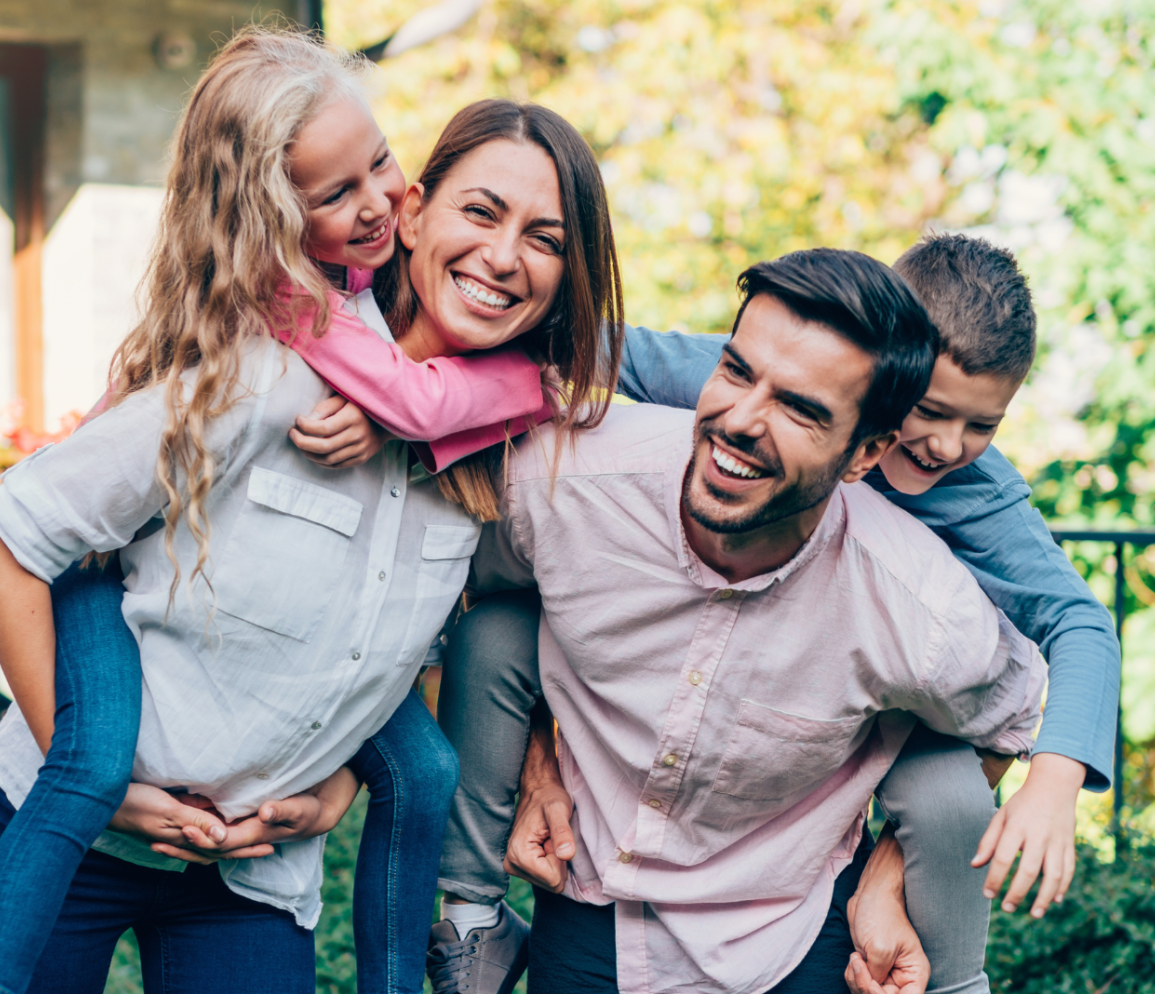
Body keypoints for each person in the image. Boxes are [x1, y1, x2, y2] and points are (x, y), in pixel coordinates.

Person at [0, 27, 624, 993]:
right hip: (78, 829)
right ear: (421, 210)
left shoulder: (508, 460)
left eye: (547, 238)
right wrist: (93, 777)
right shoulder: (269, 363)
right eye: (482, 210)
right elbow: (9, 532)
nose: (506, 257)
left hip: (252, 871)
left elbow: (410, 657)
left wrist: (340, 785)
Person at [429, 235, 1117, 994]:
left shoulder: (972, 499)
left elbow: (1076, 626)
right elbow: (579, 347)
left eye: (980, 424)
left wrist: (1051, 783)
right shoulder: (740, 386)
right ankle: (473, 918)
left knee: (948, 796)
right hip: (705, 700)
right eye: (931, 409)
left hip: (909, 709)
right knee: (495, 632)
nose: (948, 444)